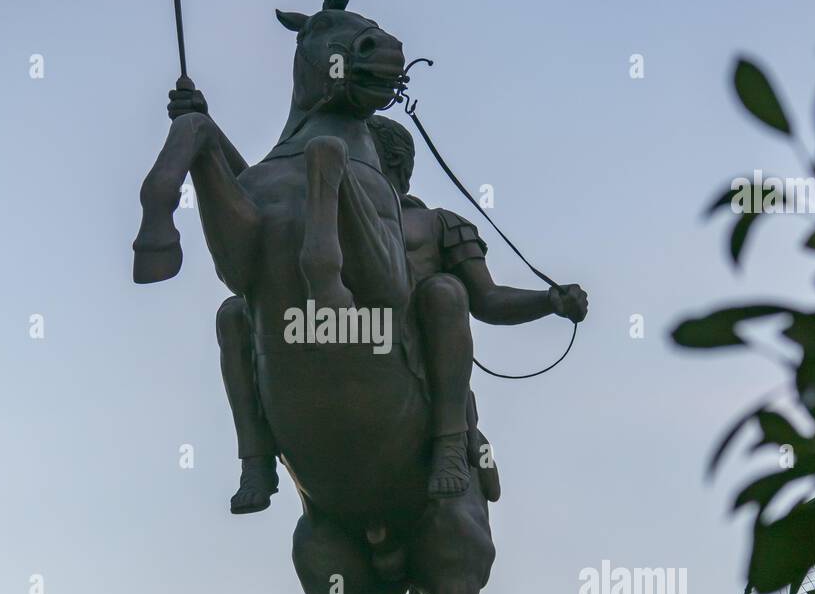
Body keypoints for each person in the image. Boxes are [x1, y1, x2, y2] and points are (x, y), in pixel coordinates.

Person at [216, 115, 589, 513]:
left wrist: (549, 300)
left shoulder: (437, 223)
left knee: (445, 292)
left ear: (387, 161)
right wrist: (207, 125)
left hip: (405, 342)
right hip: (320, 331)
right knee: (235, 312)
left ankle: (450, 439)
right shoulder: (316, 213)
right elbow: (254, 196)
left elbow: (488, 299)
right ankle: (255, 457)